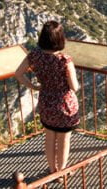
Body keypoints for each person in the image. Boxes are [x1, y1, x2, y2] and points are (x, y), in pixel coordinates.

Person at [15, 20, 80, 176]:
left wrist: (35, 87)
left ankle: (52, 170)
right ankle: (61, 172)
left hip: (46, 103)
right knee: (64, 140)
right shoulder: (64, 60)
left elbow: (18, 74)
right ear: (60, 39)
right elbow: (74, 87)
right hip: (65, 106)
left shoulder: (34, 56)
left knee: (50, 138)